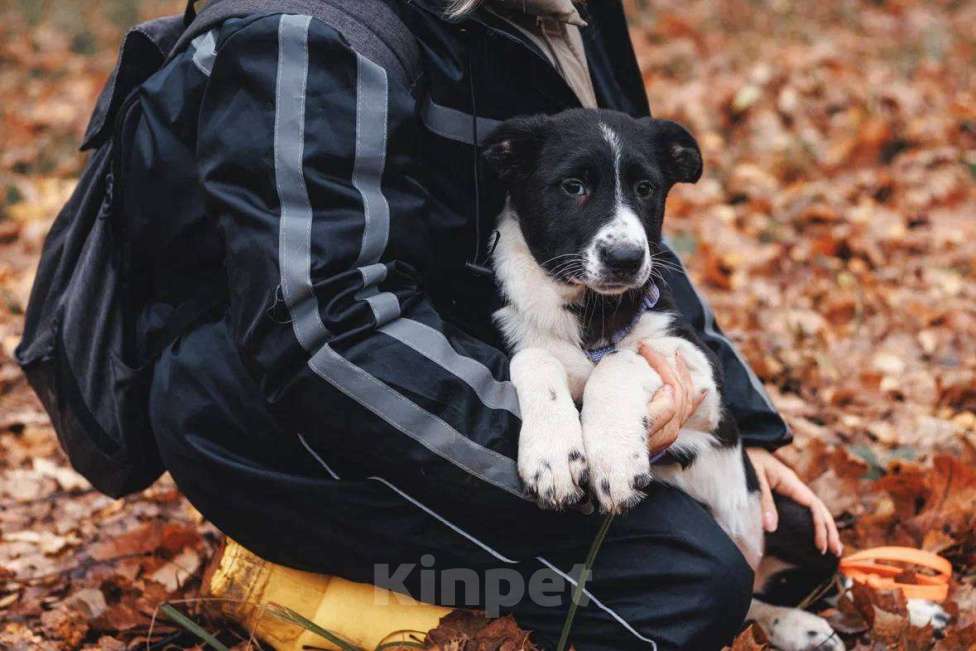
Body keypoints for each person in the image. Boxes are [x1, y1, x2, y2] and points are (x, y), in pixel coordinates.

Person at [128, 0, 839, 648]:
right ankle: (309, 594)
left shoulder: (574, 11)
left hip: (460, 364)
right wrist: (552, 442)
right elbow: (325, 334)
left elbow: (625, 219)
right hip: (276, 413)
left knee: (774, 548)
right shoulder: (306, 33)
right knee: (686, 587)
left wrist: (735, 428)